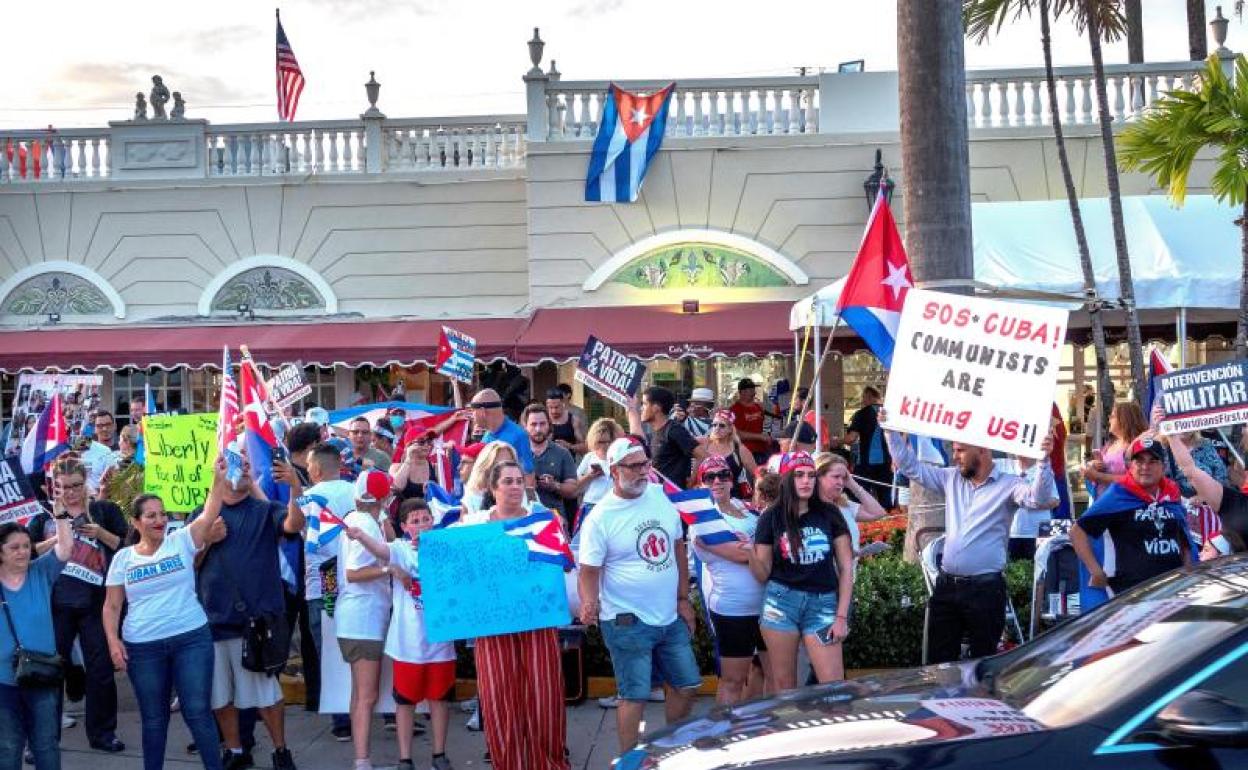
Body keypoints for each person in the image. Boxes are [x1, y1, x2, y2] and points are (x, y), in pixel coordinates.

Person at [884, 421, 1054, 663]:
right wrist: (890, 430)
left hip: (985, 589)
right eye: (954, 450)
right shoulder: (950, 478)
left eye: (960, 450)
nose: (955, 457)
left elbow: (1038, 499)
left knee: (982, 665)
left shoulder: (1009, 484)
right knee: (938, 663)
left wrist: (1044, 461)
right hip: (947, 586)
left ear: (982, 451)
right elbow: (910, 467)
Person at [578, 438, 701, 753]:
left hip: (669, 615)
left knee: (686, 685)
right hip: (626, 621)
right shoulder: (600, 517)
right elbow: (589, 570)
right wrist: (589, 602)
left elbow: (677, 547)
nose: (644, 471)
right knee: (634, 695)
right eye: (635, 466)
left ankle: (669, 749)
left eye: (646, 464)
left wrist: (683, 599)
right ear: (615, 471)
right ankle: (630, 760)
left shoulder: (660, 497)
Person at [102, 486, 226, 770]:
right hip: (143, 648)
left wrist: (218, 479)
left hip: (191, 639)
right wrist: (113, 641)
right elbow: (111, 606)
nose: (159, 520)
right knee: (154, 719)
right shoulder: (123, 559)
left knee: (197, 712)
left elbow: (210, 511)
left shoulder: (182, 540)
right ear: (135, 522)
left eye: (162, 514)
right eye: (150, 516)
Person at [195, 454, 305, 770]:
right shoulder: (203, 515)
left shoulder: (264, 509)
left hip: (255, 623)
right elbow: (188, 562)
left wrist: (296, 489)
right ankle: (236, 751)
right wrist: (207, 541)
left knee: (267, 695)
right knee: (221, 697)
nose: (241, 468)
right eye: (231, 464)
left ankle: (280, 751)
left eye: (245, 465)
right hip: (214, 621)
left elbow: (292, 525)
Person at [467, 462, 568, 770]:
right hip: (493, 623)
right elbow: (455, 567)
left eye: (518, 481)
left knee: (544, 693)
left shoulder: (543, 520)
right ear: (493, 488)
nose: (514, 486)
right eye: (506, 481)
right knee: (499, 697)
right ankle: (507, 763)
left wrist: (557, 534)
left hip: (537, 620)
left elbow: (562, 566)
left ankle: (548, 763)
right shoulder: (475, 524)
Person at [344, 498, 455, 770]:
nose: (421, 525)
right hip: (407, 644)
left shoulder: (446, 547)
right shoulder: (401, 549)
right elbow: (381, 550)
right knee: (405, 702)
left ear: (433, 520)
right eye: (415, 522)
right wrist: (360, 537)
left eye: (425, 519)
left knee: (440, 700)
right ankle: (405, 758)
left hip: (441, 642)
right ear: (405, 527)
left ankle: (439, 755)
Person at [28, 458, 128, 754]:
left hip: (96, 603)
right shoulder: (42, 517)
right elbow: (26, 552)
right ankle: (44, 739)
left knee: (100, 671)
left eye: (75, 486)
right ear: (53, 487)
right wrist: (60, 536)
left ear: (85, 483)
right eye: (63, 487)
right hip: (54, 604)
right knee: (49, 673)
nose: (70, 493)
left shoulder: (104, 510)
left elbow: (126, 546)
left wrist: (100, 534)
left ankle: (102, 734)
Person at [748, 452, 854, 688]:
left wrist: (841, 616)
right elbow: (762, 573)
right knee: (785, 687)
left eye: (811, 475)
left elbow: (846, 567)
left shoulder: (829, 512)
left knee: (833, 688)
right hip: (780, 603)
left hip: (823, 603)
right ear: (786, 479)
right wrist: (748, 553)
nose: (806, 481)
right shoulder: (771, 517)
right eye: (798, 475)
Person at [1071, 435, 1194, 600]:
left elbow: (1182, 536)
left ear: (1163, 467)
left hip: (1172, 588)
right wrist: (1096, 570)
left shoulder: (1171, 493)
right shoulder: (1119, 495)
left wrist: (1187, 570)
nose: (1145, 467)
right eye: (1139, 461)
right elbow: (1077, 531)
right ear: (1130, 466)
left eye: (1152, 461)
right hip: (1131, 593)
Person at [0, 511, 73, 770]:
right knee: (8, 747)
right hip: (3, 684)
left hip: (42, 676)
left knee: (46, 745)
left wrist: (62, 515)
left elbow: (65, 549)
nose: (22, 552)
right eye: (14, 548)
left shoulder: (40, 571)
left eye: (26, 546)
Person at [690, 456, 766, 704]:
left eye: (723, 475)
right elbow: (737, 554)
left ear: (732, 479)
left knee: (763, 669)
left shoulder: (746, 507)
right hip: (734, 608)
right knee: (733, 680)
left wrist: (753, 546)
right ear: (701, 483)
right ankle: (725, 732)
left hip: (768, 605)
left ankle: (750, 723)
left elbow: (770, 542)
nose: (717, 481)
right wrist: (760, 548)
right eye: (709, 477)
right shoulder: (701, 520)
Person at [334, 469, 395, 770]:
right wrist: (389, 571)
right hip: (363, 620)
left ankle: (362, 760)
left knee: (360, 695)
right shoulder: (363, 523)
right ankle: (362, 762)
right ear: (382, 497)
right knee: (366, 697)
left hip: (359, 619)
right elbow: (353, 574)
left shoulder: (364, 521)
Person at [298, 443, 356, 740]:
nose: (307, 470)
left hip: (324, 583)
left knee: (330, 653)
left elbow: (291, 526)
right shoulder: (357, 490)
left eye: (309, 466)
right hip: (356, 580)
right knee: (366, 644)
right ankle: (383, 710)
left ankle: (342, 719)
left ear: (318, 469)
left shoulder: (308, 497)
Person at [1165, 427, 1248, 555]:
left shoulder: (1235, 504)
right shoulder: (1235, 504)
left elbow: (1190, 470)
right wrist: (1171, 434)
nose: (1242, 430)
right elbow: (1190, 470)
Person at [815, 453, 888, 566]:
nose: (841, 482)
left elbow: (878, 513)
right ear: (819, 476)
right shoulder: (808, 507)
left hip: (849, 577)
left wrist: (852, 483)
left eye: (843, 478)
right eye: (836, 476)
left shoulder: (844, 505)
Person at [626, 387, 705, 489]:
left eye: (644, 404)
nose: (641, 408)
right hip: (658, 495)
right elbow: (637, 437)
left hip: (674, 498)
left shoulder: (674, 430)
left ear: (656, 408)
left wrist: (692, 481)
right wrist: (631, 410)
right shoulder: (654, 432)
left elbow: (703, 456)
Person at [1082, 401, 1148, 498]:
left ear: (1124, 420)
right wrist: (1094, 464)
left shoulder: (1137, 445)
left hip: (1124, 503)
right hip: (1105, 501)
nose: (1109, 420)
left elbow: (1136, 480)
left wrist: (1097, 476)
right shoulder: (1111, 443)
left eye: (1112, 416)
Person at [523, 404, 577, 520]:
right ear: (525, 426)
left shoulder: (562, 453)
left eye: (542, 424)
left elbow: (573, 490)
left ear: (549, 425)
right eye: (533, 424)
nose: (538, 429)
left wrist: (555, 485)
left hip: (555, 519)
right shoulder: (515, 453)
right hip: (524, 519)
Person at [469, 389, 534, 482]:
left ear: (482, 412)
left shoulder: (518, 436)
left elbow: (529, 476)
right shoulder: (486, 436)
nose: (472, 416)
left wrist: (529, 497)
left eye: (473, 411)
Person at [844, 387, 892, 509]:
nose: (862, 401)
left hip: (866, 461)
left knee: (859, 495)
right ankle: (888, 520)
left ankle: (865, 522)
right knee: (885, 497)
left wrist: (838, 441)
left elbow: (851, 438)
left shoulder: (861, 414)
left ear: (869, 397)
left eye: (863, 398)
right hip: (887, 461)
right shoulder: (889, 413)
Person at [704, 409, 758, 497]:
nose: (717, 428)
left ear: (730, 429)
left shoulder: (740, 450)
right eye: (714, 425)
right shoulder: (704, 444)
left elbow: (757, 475)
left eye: (722, 425)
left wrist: (755, 497)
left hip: (732, 498)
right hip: (706, 498)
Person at [461, 442, 521, 513]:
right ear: (486, 466)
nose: (504, 468)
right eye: (497, 464)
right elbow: (464, 523)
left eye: (509, 463)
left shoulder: (528, 495)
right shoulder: (471, 498)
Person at [729, 379, 770, 465]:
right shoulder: (734, 410)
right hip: (745, 452)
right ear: (742, 392)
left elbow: (761, 427)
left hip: (762, 450)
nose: (754, 393)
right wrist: (760, 437)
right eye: (750, 390)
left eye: (753, 389)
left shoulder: (758, 407)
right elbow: (735, 433)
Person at [544, 388, 586, 456]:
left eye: (556, 407)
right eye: (550, 407)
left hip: (568, 462)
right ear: (547, 405)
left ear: (563, 404)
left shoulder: (573, 420)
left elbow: (584, 447)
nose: (554, 411)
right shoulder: (542, 420)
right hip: (546, 462)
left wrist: (569, 446)